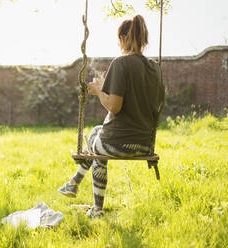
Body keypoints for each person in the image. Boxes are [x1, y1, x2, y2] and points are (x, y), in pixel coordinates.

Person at [58, 15, 165, 218]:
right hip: (144, 144)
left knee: (97, 149)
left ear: (124, 38)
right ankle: (73, 184)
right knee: (97, 133)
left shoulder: (121, 63)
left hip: (121, 144)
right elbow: (154, 104)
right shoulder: (155, 68)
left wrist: (99, 91)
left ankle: (96, 209)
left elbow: (114, 107)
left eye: (119, 40)